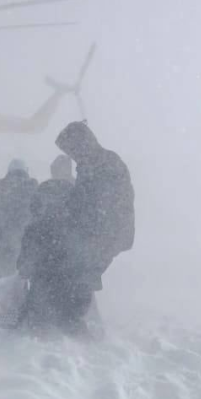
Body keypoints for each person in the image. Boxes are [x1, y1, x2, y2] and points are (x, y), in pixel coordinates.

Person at [55, 121, 135, 292]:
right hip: (102, 229)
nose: (72, 155)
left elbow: (98, 200)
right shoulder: (92, 163)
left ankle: (81, 311)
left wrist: (75, 215)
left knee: (80, 271)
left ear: (80, 144)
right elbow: (82, 198)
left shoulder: (103, 163)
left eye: (71, 150)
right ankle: (83, 310)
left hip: (106, 230)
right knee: (81, 272)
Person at [15, 179, 83, 335]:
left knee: (32, 324)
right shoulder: (74, 231)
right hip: (73, 297)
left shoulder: (33, 229)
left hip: (42, 295)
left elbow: (22, 266)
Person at [0, 160, 38, 287]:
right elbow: (37, 211)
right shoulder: (32, 186)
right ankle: (18, 299)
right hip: (22, 237)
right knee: (19, 271)